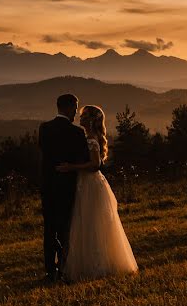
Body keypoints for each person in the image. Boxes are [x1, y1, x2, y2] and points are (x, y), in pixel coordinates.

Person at [57, 105, 138, 282]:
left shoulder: (91, 140)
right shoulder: (87, 137)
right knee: (86, 222)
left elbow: (94, 165)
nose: (81, 117)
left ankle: (97, 265)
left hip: (90, 184)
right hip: (84, 183)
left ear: (92, 120)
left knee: (92, 223)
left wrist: (71, 167)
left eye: (85, 115)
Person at [38, 93, 90, 282]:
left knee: (49, 230)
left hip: (48, 186)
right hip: (67, 187)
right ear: (68, 107)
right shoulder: (77, 133)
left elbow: (45, 154)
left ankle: (50, 270)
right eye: (76, 108)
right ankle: (64, 267)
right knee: (65, 230)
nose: (76, 112)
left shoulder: (44, 129)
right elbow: (84, 158)